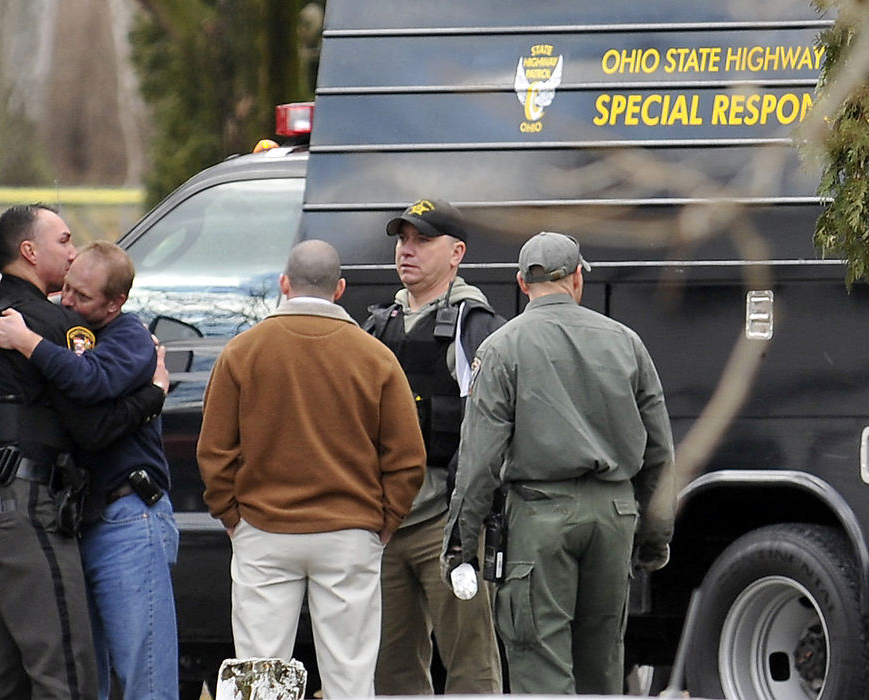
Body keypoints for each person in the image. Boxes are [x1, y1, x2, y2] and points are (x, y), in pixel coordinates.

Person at [0, 205, 168, 700]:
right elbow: (91, 426)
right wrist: (153, 395)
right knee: (66, 674)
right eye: (64, 241)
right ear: (29, 251)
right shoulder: (55, 324)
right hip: (25, 507)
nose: (72, 254)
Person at [443, 231, 676, 695]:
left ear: (521, 283)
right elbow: (660, 453)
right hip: (614, 516)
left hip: (540, 517)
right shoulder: (626, 342)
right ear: (576, 280)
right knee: (603, 666)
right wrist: (652, 541)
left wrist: (461, 547)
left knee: (540, 666)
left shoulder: (502, 348)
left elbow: (479, 462)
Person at [197, 239, 427, 699]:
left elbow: (214, 450)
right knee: (350, 674)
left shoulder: (242, 352)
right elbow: (407, 457)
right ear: (340, 288)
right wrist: (387, 521)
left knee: (259, 672)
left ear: (284, 284)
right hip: (350, 532)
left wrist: (232, 517)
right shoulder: (375, 356)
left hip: (263, 530)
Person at [363, 198, 503, 695]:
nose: (407, 250)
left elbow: (491, 432)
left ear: (456, 252)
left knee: (470, 665)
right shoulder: (377, 326)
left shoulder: (475, 327)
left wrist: (469, 519)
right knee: (391, 668)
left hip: (447, 524)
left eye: (423, 240)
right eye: (402, 239)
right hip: (385, 524)